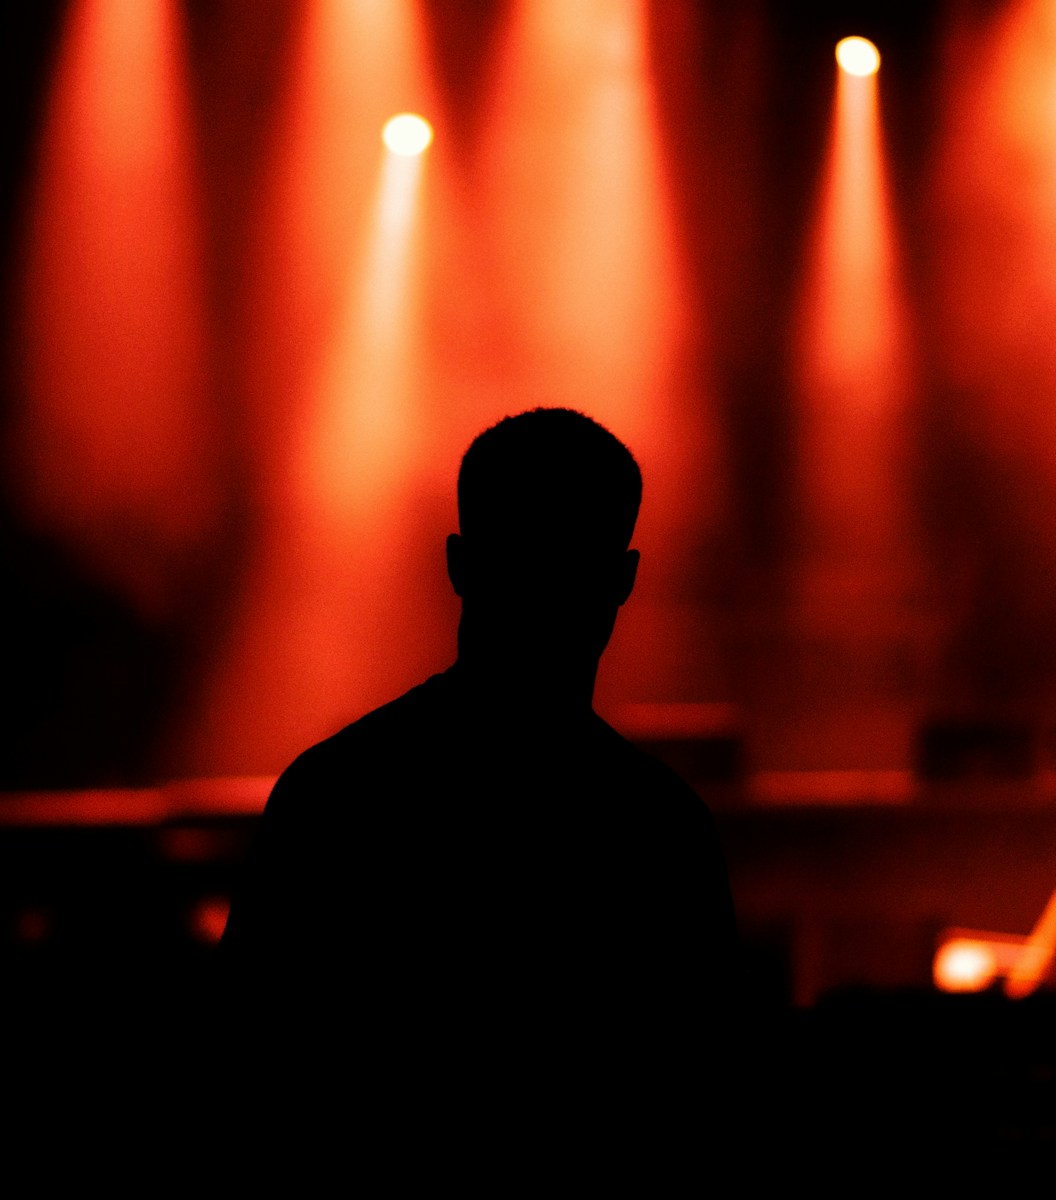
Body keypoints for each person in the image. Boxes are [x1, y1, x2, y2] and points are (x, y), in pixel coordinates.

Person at [219, 408, 738, 1147]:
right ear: (622, 579)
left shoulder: (334, 794)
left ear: (459, 565)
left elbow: (250, 1072)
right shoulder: (661, 827)